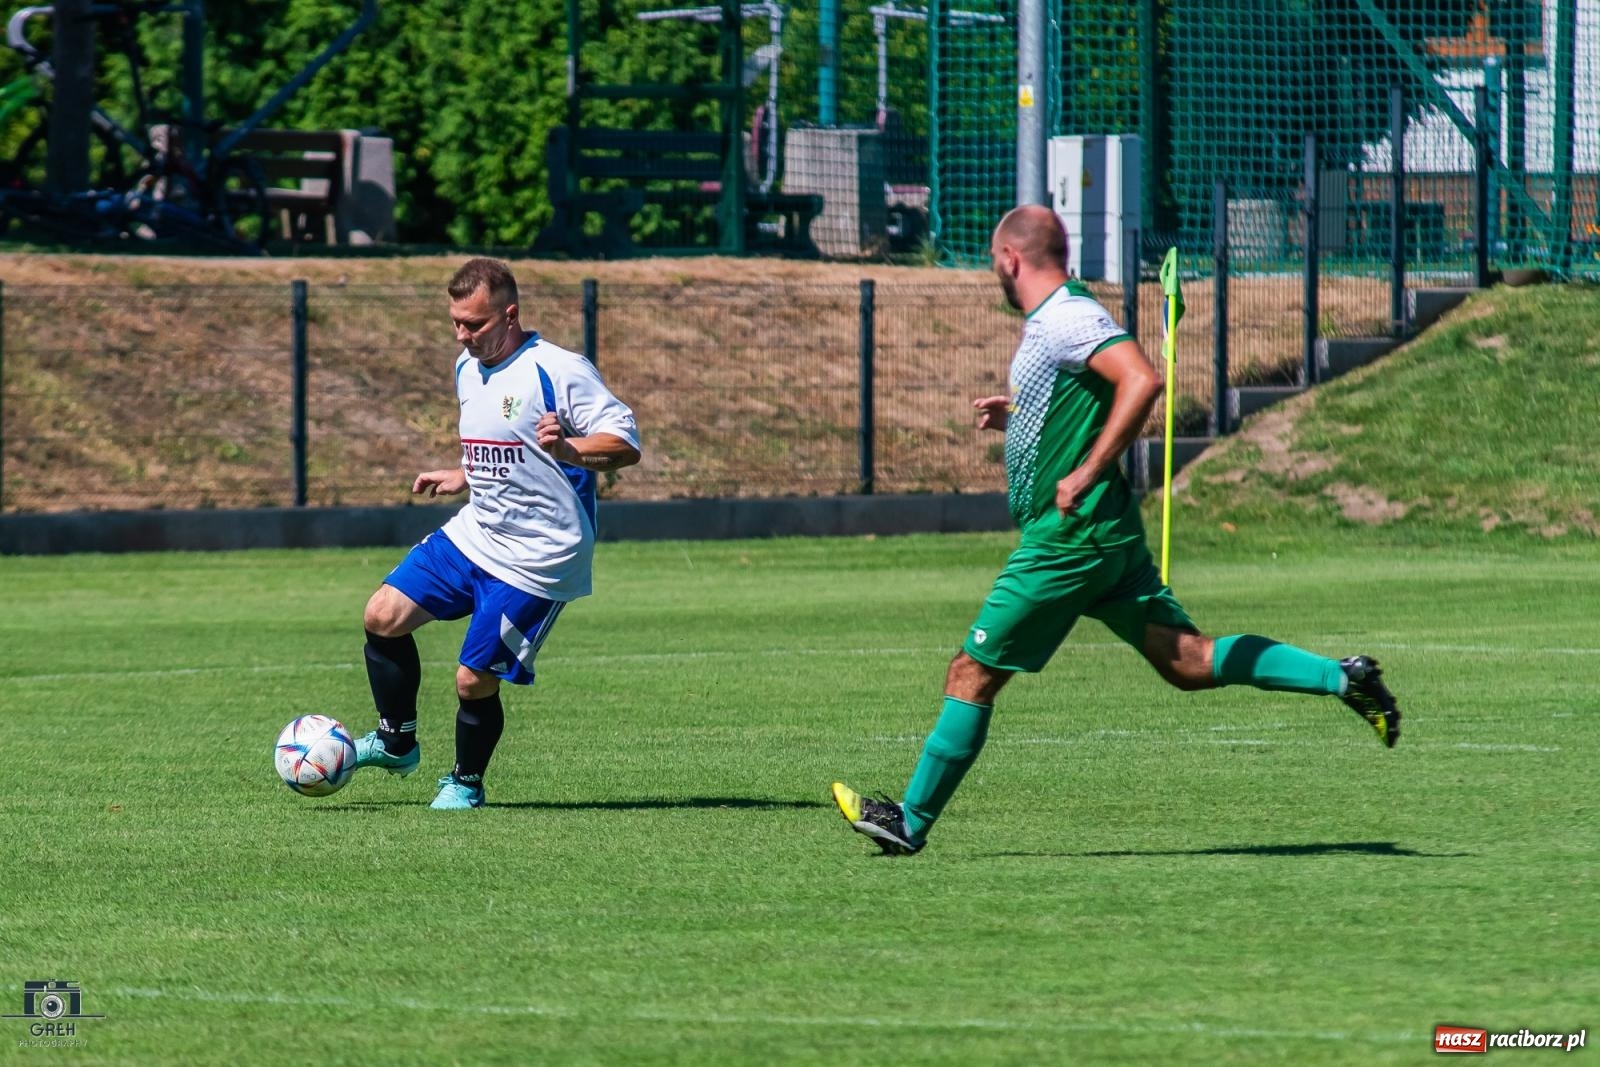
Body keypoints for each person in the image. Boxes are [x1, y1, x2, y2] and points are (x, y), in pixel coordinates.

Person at [830, 204, 1399, 855]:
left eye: (994, 260)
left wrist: (1088, 469)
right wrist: (1019, 414)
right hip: (1103, 538)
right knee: (1189, 660)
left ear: (1010, 258)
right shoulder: (1057, 320)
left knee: (971, 671)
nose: (995, 270)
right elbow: (1087, 391)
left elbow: (1141, 379)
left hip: (1069, 540)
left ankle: (910, 821)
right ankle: (1342, 677)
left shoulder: (1066, 316)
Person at [353, 257, 641, 809]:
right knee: (381, 617)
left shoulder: (558, 370)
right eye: (456, 323)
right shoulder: (467, 367)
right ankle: (396, 742)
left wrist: (569, 449)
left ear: (511, 315)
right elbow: (505, 444)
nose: (463, 336)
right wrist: (463, 473)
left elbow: (626, 446)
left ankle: (465, 781)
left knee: (471, 680)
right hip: (478, 532)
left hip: (540, 556)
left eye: (475, 325)